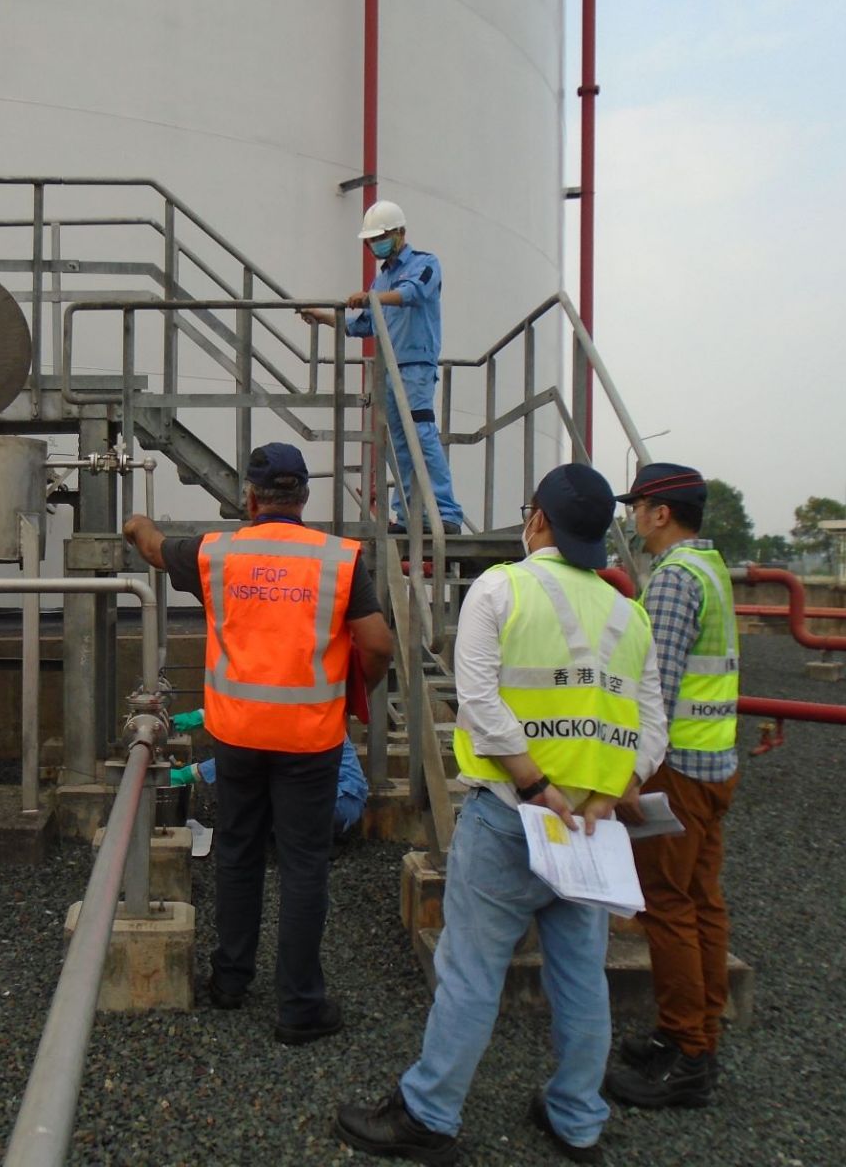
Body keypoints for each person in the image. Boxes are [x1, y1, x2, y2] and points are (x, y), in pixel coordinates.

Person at [335, 463, 667, 1165]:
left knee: (471, 972)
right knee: (582, 979)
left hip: (512, 816)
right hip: (588, 830)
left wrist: (535, 784)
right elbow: (652, 729)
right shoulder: (629, 614)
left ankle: (430, 1114)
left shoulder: (501, 588)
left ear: (538, 520)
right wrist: (610, 791)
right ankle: (577, 1118)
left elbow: (481, 702)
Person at [124, 442, 393, 1045]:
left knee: (238, 852)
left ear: (249, 497)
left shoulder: (216, 554)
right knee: (303, 866)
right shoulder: (339, 560)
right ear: (304, 498)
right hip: (310, 741)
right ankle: (298, 1005)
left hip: (238, 736)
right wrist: (351, 698)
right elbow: (377, 644)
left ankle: (230, 980)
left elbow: (153, 548)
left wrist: (135, 522)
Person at [603, 464, 741, 1109]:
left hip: (677, 769)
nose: (633, 517)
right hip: (715, 764)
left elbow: (651, 689)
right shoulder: (711, 568)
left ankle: (687, 1052)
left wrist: (629, 773)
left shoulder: (674, 580)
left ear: (660, 513)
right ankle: (697, 1034)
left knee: (666, 905)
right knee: (702, 901)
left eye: (638, 507)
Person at [301, 199, 463, 534]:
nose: (376, 244)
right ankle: (408, 516)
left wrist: (371, 298)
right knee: (397, 443)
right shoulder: (380, 282)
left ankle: (445, 512)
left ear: (400, 232)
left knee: (421, 434)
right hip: (388, 371)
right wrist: (325, 318)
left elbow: (413, 293)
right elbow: (364, 324)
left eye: (381, 237)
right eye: (372, 240)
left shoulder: (424, 264)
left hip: (415, 367)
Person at [171, 733, 369, 836]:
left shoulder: (298, 716)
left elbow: (249, 754)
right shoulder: (306, 706)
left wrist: (190, 774)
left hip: (339, 801)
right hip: (338, 797)